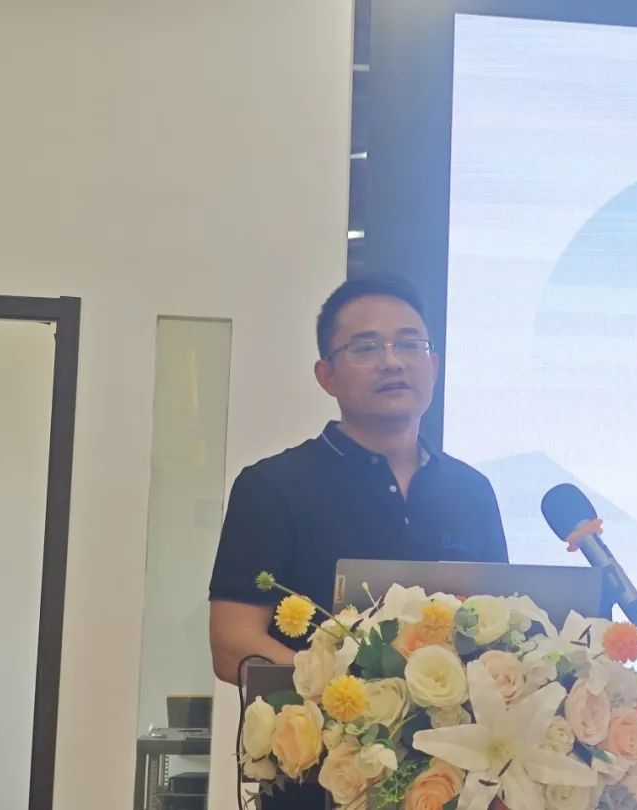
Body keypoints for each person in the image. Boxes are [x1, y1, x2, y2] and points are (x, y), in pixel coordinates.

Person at [207, 274, 509, 808]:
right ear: (326, 375)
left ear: (433, 366)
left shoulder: (472, 491)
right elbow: (232, 644)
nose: (392, 361)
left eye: (410, 344)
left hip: (453, 788)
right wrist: (359, 711)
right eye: (366, 348)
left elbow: (499, 632)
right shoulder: (273, 487)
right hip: (320, 785)